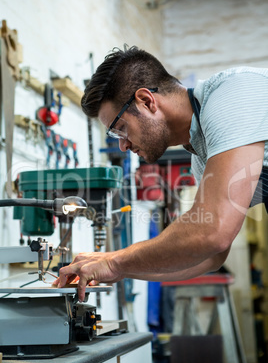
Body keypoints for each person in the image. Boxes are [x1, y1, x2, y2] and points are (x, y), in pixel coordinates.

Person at [53, 46, 268, 302]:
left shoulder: (232, 93)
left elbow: (212, 232)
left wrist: (116, 261)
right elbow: (210, 255)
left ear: (146, 101)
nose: (122, 145)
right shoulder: (202, 157)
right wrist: (122, 267)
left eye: (120, 129)